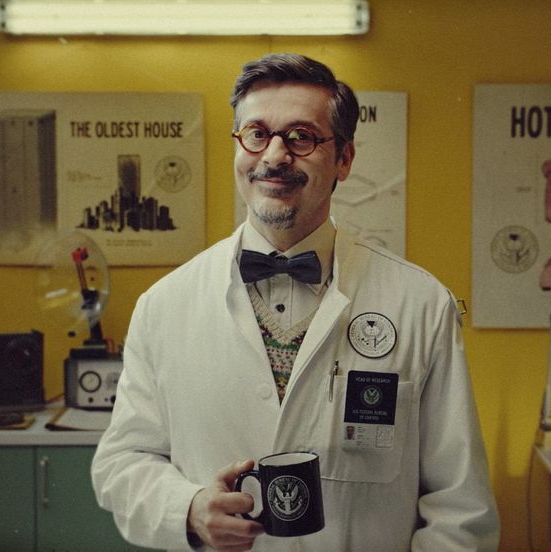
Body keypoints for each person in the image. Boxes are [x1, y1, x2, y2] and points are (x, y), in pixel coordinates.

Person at [91, 52, 500, 551]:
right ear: (238, 147)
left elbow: (461, 507)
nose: (275, 156)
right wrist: (189, 509)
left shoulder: (420, 304)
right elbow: (122, 463)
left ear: (343, 159)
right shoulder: (164, 306)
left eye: (301, 137)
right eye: (257, 133)